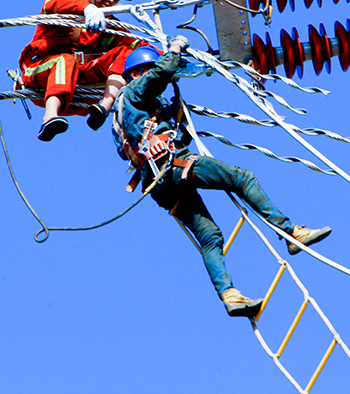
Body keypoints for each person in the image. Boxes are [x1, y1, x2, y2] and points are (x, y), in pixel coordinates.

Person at [111, 38, 332, 318]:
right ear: (135, 73)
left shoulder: (124, 115)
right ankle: (289, 232)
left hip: (159, 184)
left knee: (210, 237)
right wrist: (175, 49)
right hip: (173, 165)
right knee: (242, 179)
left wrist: (176, 114)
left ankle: (229, 295)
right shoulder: (133, 92)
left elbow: (160, 139)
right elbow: (163, 71)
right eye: (147, 71)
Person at [19, 0, 151, 141]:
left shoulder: (109, 25)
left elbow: (138, 45)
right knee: (65, 60)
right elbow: (53, 2)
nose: (112, 1)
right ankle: (49, 118)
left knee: (126, 52)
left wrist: (170, 56)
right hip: (41, 74)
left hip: (79, 87)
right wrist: (87, 9)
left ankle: (104, 108)